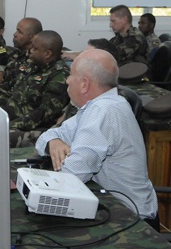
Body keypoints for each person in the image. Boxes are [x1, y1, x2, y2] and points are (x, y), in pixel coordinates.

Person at [35, 49, 159, 227]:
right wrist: (54, 143)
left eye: (71, 75)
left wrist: (62, 156)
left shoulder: (103, 112)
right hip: (110, 205)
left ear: (84, 84)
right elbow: (46, 137)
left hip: (132, 220)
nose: (67, 80)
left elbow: (71, 176)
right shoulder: (97, 106)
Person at [0, 30, 70, 131]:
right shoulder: (34, 64)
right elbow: (14, 93)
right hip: (11, 114)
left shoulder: (60, 75)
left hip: (32, 127)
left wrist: (8, 125)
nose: (30, 51)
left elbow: (44, 114)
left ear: (47, 54)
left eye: (35, 49)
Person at [61, 5, 148, 67]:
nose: (110, 25)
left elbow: (111, 56)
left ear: (124, 20)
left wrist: (77, 57)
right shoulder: (119, 37)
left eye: (113, 21)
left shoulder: (136, 37)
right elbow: (100, 50)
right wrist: (70, 54)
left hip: (133, 77)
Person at [0, 17, 42, 97]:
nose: (15, 34)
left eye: (19, 32)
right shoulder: (15, 54)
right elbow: (5, 83)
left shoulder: (36, 61)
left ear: (31, 38)